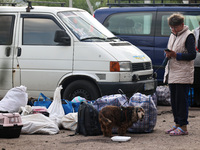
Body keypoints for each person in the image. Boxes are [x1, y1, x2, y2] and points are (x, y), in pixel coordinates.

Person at [164, 13, 196, 136]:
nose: (173, 29)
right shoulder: (172, 35)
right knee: (174, 102)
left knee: (182, 102)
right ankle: (177, 124)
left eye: (175, 27)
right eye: (171, 27)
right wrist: (168, 54)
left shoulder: (189, 36)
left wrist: (176, 55)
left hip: (183, 74)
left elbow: (192, 55)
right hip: (172, 72)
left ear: (182, 25)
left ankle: (183, 127)